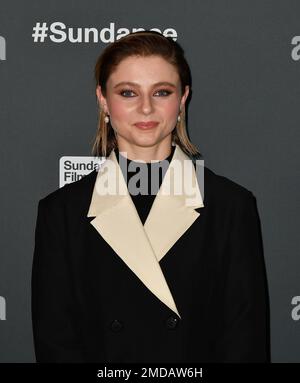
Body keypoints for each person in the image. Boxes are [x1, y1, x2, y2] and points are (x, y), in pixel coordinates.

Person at [31, 30, 270, 363]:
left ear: (182, 99)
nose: (145, 108)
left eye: (161, 92)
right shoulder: (62, 212)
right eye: (128, 92)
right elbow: (56, 344)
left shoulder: (230, 206)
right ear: (103, 100)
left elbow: (245, 344)